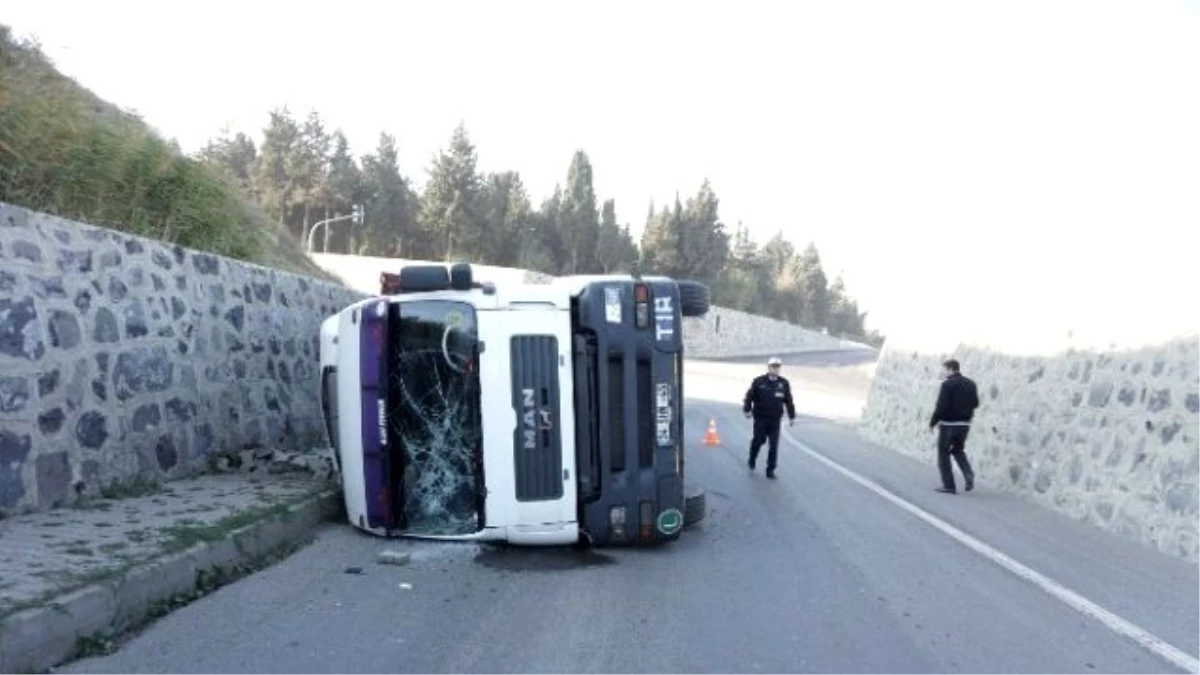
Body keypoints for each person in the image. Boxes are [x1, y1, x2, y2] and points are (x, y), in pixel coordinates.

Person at [928, 358, 979, 494]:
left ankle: (949, 486)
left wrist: (933, 422)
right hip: (964, 424)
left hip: (948, 424)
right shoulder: (971, 384)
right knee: (958, 450)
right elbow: (975, 403)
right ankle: (968, 473)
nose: (943, 372)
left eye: (944, 369)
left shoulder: (947, 384)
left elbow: (941, 406)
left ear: (950, 369)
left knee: (943, 454)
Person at [743, 356, 796, 479]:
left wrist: (792, 416)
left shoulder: (784, 383)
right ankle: (752, 458)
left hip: (775, 419)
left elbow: (789, 401)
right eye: (773, 367)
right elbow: (749, 397)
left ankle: (770, 470)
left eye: (778, 367)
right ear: (769, 367)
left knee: (773, 445)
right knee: (759, 440)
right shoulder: (759, 381)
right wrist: (747, 410)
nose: (776, 369)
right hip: (760, 418)